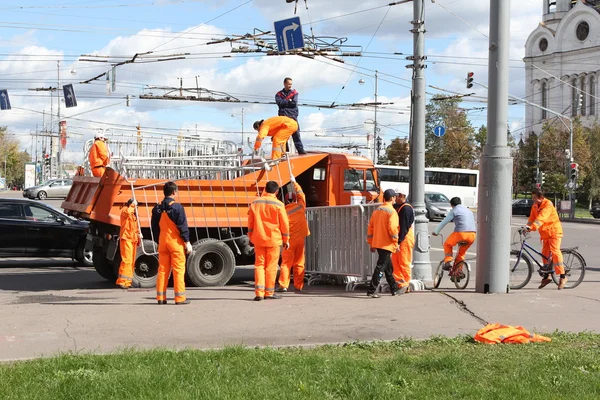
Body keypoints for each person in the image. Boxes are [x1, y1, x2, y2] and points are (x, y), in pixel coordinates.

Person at [151, 182, 193, 305]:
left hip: (163, 241)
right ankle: (179, 298)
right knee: (178, 270)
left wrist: (158, 240)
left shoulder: (157, 208)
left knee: (163, 270)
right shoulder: (177, 207)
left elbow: (154, 227)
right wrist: (187, 241)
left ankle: (161, 298)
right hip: (175, 243)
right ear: (174, 192)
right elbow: (182, 226)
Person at [248, 180, 290, 301]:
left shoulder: (255, 203)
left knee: (259, 265)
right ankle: (269, 292)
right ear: (276, 191)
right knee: (271, 266)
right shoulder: (279, 204)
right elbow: (284, 224)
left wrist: (250, 236)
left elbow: (250, 222)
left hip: (259, 238)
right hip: (273, 239)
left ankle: (259, 293)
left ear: (265, 189)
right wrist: (286, 239)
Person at [525, 188, 566, 289]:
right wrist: (527, 227)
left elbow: (541, 218)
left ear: (541, 197)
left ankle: (563, 276)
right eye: (533, 197)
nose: (533, 199)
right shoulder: (535, 206)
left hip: (554, 232)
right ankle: (547, 276)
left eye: (535, 198)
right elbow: (532, 218)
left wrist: (533, 227)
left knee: (555, 252)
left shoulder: (548, 205)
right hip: (545, 234)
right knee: (545, 255)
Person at [277, 177, 309, 293]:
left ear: (285, 201)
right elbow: (302, 195)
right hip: (300, 239)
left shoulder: (283, 210)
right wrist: (294, 183)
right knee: (299, 262)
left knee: (286, 263)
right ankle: (298, 285)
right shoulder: (301, 206)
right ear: (295, 199)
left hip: (288, 240)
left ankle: (283, 285)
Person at [432, 197, 476, 281]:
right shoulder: (469, 210)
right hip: (472, 235)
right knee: (461, 253)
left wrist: (436, 231)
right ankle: (458, 272)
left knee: (447, 244)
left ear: (451, 205)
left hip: (461, 233)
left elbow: (444, 222)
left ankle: (448, 262)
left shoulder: (454, 210)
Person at [366, 189, 400, 298]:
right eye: (395, 197)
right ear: (392, 198)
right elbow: (393, 229)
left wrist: (371, 243)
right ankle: (372, 290)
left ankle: (394, 288)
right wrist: (396, 242)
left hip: (378, 243)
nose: (396, 199)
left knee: (388, 267)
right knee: (380, 267)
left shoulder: (377, 210)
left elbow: (370, 228)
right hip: (387, 244)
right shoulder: (392, 211)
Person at [391, 190, 414, 294]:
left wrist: (399, 241)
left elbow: (404, 226)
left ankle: (406, 284)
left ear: (401, 196)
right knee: (396, 262)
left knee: (404, 262)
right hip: (402, 238)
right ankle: (402, 283)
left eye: (396, 196)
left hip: (404, 238)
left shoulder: (406, 208)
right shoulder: (401, 207)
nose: (395, 198)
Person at [275, 77, 306, 155]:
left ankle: (300, 149)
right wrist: (288, 101)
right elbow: (279, 103)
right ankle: (285, 151)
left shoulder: (294, 93)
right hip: (283, 116)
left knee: (296, 133)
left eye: (291, 84)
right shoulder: (278, 94)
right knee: (283, 134)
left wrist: (285, 102)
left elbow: (294, 103)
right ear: (284, 83)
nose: (290, 86)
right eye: (288, 84)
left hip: (292, 116)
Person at [116, 198, 140, 289]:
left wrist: (138, 236)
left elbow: (135, 229)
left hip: (132, 240)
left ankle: (127, 282)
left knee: (131, 262)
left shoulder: (133, 216)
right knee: (127, 261)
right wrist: (133, 205)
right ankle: (122, 281)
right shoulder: (125, 210)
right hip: (126, 239)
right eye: (135, 205)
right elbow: (127, 212)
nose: (136, 208)